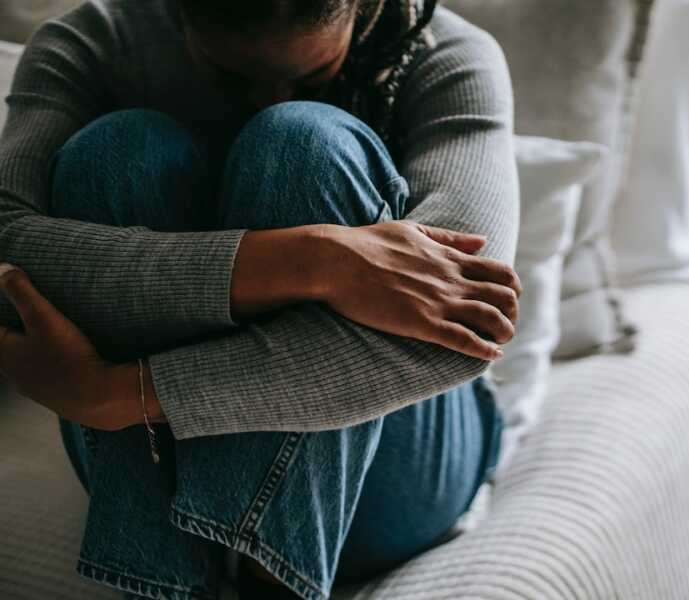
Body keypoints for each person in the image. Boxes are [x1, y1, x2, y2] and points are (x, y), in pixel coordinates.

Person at [0, 0, 520, 598]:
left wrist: (118, 395)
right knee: (116, 153)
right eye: (229, 77)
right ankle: (168, 582)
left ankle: (271, 583)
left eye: (313, 75)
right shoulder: (94, 40)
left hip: (392, 460)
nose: (265, 99)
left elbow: (469, 332)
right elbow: (7, 247)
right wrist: (318, 260)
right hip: (152, 452)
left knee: (304, 141)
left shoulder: (445, 55)